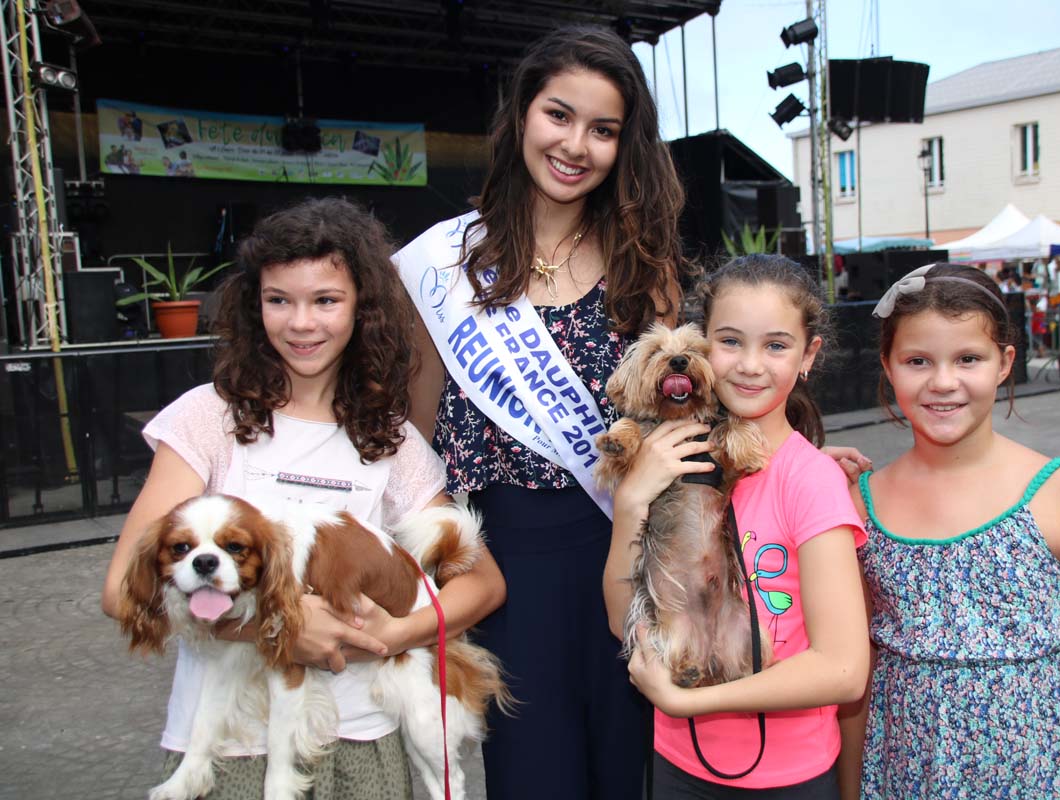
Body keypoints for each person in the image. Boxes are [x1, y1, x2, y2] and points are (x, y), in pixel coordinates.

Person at [100, 197, 506, 799]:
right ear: (252, 305)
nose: (301, 323)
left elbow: (483, 584)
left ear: (362, 309)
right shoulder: (206, 419)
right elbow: (120, 591)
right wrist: (278, 627)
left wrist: (392, 636)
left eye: (326, 300)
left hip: (360, 738)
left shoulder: (391, 442)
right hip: (231, 748)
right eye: (278, 300)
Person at [395, 25, 687, 800]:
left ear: (625, 146)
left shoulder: (644, 269)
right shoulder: (442, 265)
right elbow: (413, 442)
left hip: (624, 553)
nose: (575, 144)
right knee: (534, 776)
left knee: (630, 770)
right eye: (559, 115)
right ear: (523, 112)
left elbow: (682, 417)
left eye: (603, 129)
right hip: (502, 565)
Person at [840, 263, 1060, 799]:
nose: (942, 382)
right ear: (887, 366)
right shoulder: (861, 504)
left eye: (967, 359)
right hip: (907, 779)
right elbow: (853, 678)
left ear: (1004, 362)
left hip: (1039, 778)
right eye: (917, 361)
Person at [606, 254, 870, 798]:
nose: (750, 365)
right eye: (730, 341)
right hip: (677, 761)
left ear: (808, 356)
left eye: (775, 345)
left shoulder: (812, 480)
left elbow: (845, 671)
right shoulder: (664, 464)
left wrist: (687, 701)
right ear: (700, 349)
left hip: (787, 774)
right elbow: (622, 622)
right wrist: (632, 499)